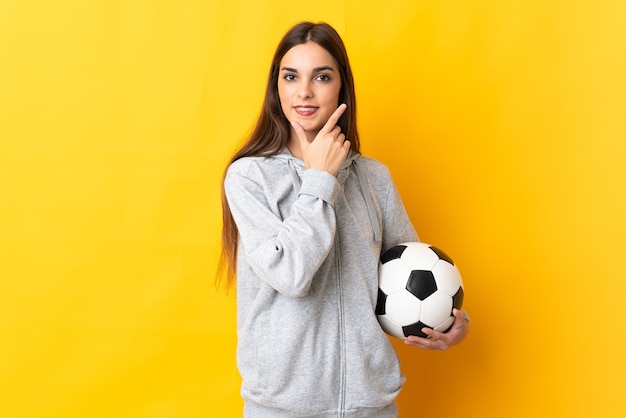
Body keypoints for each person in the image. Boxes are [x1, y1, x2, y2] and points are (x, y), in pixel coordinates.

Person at [219, 21, 470, 417]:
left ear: (341, 87)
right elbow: (290, 275)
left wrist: (451, 321)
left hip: (369, 405)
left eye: (321, 76)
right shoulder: (250, 177)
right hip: (281, 408)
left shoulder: (374, 179)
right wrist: (320, 179)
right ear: (276, 89)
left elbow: (410, 272)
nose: (304, 91)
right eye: (291, 77)